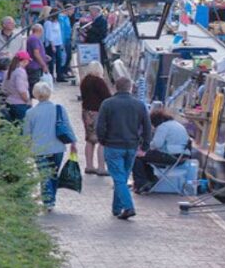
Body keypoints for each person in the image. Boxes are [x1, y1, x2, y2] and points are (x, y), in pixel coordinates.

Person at [96, 77, 152, 220]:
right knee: (122, 177)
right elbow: (147, 127)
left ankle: (128, 207)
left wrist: (102, 140)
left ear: (115, 87)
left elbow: (100, 126)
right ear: (131, 88)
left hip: (113, 145)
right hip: (131, 147)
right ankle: (117, 209)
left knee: (119, 179)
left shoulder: (107, 104)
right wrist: (145, 146)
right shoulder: (139, 105)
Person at [24, 82, 77, 212]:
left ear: (35, 94)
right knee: (53, 173)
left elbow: (26, 133)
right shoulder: (59, 108)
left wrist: (25, 148)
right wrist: (73, 142)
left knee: (44, 174)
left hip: (39, 149)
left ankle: (48, 200)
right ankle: (51, 199)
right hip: (57, 147)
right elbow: (67, 126)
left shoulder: (30, 113)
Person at [131, 109, 191, 193]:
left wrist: (143, 148)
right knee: (145, 156)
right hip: (182, 156)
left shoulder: (163, 126)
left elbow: (157, 144)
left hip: (171, 156)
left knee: (137, 156)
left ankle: (142, 182)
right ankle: (150, 179)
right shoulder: (177, 124)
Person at [80, 61, 111, 175]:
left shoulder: (84, 81)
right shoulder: (99, 81)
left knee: (89, 139)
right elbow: (107, 97)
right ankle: (101, 167)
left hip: (86, 112)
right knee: (102, 140)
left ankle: (89, 166)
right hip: (98, 113)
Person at [2, 51, 33, 122]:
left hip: (9, 102)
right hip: (20, 104)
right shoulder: (20, 72)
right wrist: (27, 101)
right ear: (25, 61)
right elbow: (22, 90)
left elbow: (3, 88)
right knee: (22, 128)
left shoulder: (9, 70)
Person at [25, 24, 50, 97]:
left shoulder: (32, 38)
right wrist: (44, 65)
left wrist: (44, 56)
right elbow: (36, 53)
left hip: (35, 65)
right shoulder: (34, 39)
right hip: (34, 66)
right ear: (40, 31)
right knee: (34, 87)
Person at [85, 5, 109, 71]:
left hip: (98, 44)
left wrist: (91, 28)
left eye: (91, 11)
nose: (90, 13)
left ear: (96, 11)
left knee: (99, 62)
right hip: (92, 44)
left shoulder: (102, 20)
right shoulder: (94, 20)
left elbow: (103, 33)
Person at [43, 8, 64, 81]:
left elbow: (59, 34)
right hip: (51, 44)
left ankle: (59, 75)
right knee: (51, 61)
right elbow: (49, 35)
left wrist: (61, 43)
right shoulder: (48, 23)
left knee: (59, 59)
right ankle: (51, 75)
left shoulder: (57, 23)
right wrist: (52, 45)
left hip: (58, 43)